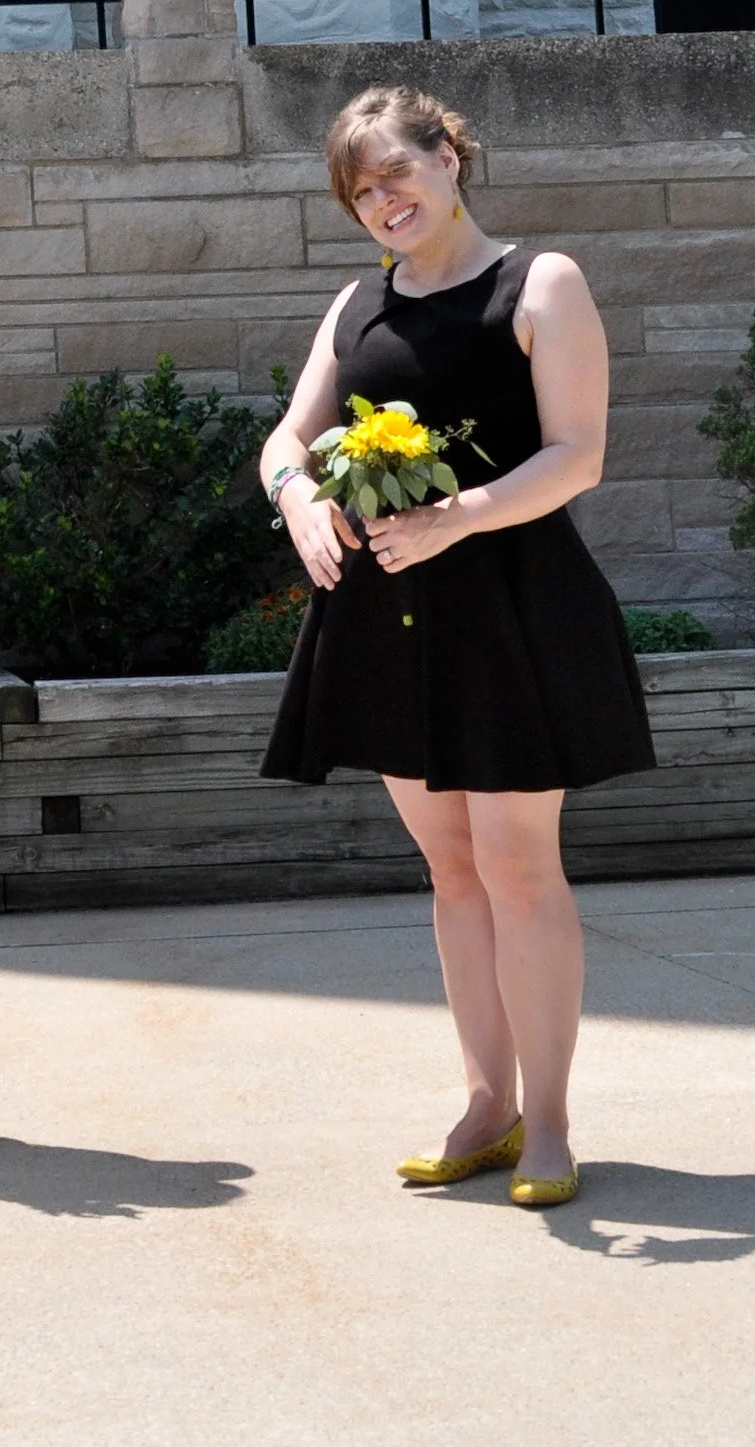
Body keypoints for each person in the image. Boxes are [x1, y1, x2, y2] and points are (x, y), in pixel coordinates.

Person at [261, 84, 654, 1210]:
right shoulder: (354, 306)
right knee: (450, 873)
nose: (380, 199)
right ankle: (484, 1104)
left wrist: (457, 514)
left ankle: (550, 1121)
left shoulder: (541, 283)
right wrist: (295, 498)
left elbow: (576, 455)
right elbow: (287, 439)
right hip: (388, 617)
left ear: (448, 157)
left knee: (520, 869)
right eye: (358, 187)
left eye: (395, 171)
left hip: (513, 606)